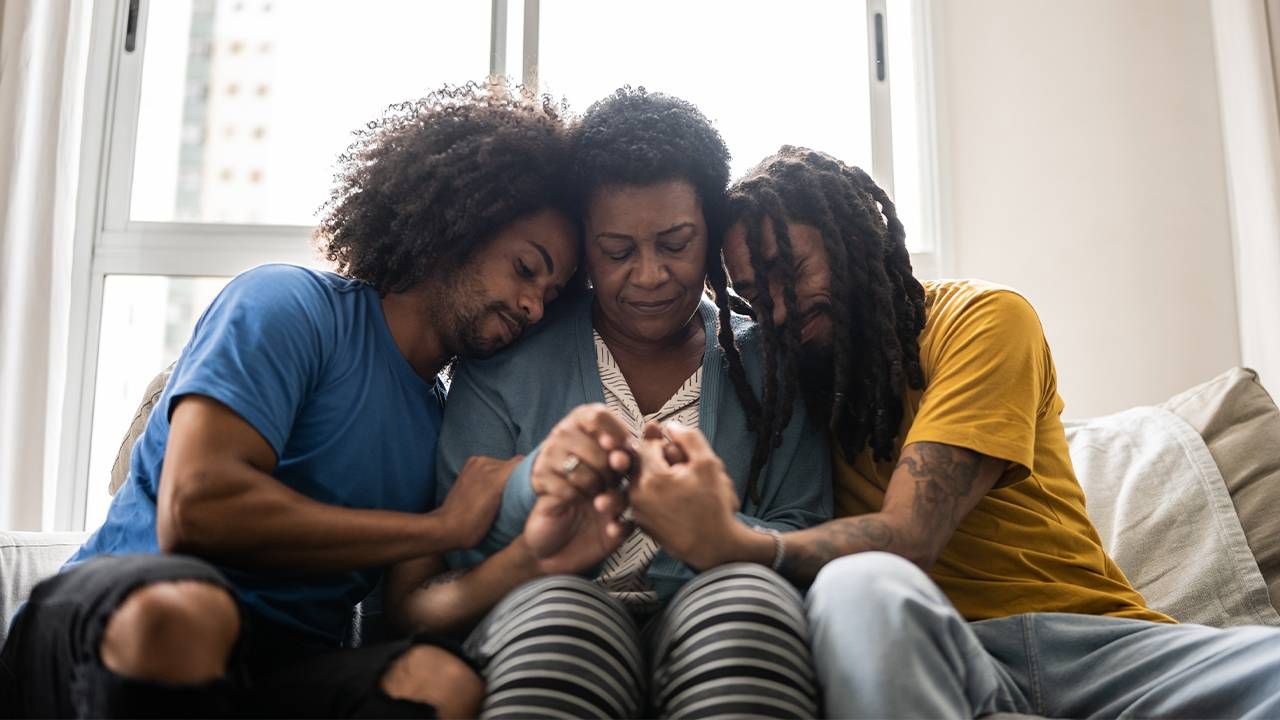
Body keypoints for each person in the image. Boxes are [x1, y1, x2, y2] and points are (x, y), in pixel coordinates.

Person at [0, 82, 580, 719]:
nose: (532, 306)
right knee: (190, 612)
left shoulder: (445, 422)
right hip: (117, 614)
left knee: (441, 679)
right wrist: (440, 526)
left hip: (278, 666)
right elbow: (197, 510)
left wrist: (532, 553)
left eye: (550, 296)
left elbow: (411, 606)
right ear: (459, 225)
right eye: (527, 269)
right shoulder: (290, 306)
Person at [658, 143, 1280, 718]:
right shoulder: (777, 390)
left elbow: (910, 535)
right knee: (858, 587)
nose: (780, 311)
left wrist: (735, 543)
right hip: (937, 662)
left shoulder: (981, 320)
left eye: (787, 272)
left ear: (854, 240)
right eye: (753, 296)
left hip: (1094, 647)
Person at [392, 89, 831, 719]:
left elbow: (806, 532)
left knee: (742, 603)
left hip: (726, 616)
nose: (649, 275)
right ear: (584, 249)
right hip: (545, 618)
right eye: (617, 251)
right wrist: (539, 485)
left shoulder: (768, 363)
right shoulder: (505, 361)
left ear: (710, 237)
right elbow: (461, 552)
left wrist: (720, 534)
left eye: (676, 244)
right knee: (559, 614)